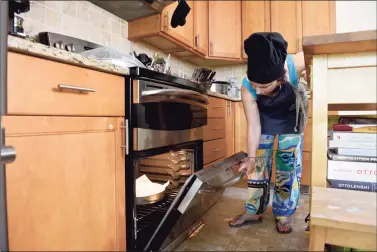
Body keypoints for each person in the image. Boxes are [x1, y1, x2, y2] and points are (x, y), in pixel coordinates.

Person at [229, 32, 308, 234]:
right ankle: (254, 211)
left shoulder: (294, 64)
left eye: (264, 86)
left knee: (287, 164)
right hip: (265, 118)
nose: (259, 90)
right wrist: (251, 157)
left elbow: (314, 55)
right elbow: (254, 125)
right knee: (258, 164)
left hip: (291, 116)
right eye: (255, 86)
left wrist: (311, 74)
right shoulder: (248, 87)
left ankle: (284, 214)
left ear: (280, 77)